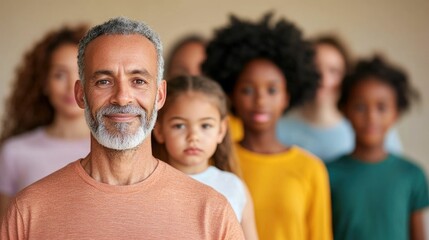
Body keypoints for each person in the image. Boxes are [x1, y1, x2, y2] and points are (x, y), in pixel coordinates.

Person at [1, 17, 244, 239]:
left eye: (138, 81)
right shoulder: (29, 211)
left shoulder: (212, 212)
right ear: (81, 94)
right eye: (104, 81)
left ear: (160, 95)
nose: (122, 97)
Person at [202, 13, 332, 240]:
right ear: (231, 94)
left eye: (271, 90)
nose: (260, 101)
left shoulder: (311, 169)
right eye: (248, 90)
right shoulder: (214, 160)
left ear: (287, 97)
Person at [327, 56, 428, 240]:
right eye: (360, 107)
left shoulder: (412, 175)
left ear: (396, 112)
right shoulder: (327, 174)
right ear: (344, 109)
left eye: (381, 107)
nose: (371, 117)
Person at [0, 25, 90, 219]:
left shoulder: (114, 150)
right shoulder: (15, 151)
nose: (71, 87)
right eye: (59, 75)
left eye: (80, 74)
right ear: (44, 84)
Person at [152, 75, 259, 240]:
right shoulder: (149, 186)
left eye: (205, 126)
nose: (193, 136)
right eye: (179, 125)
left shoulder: (234, 187)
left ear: (221, 130)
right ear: (159, 130)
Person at [276, 35, 402, 161]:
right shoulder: (280, 128)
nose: (323, 80)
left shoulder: (372, 127)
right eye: (315, 69)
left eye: (333, 71)